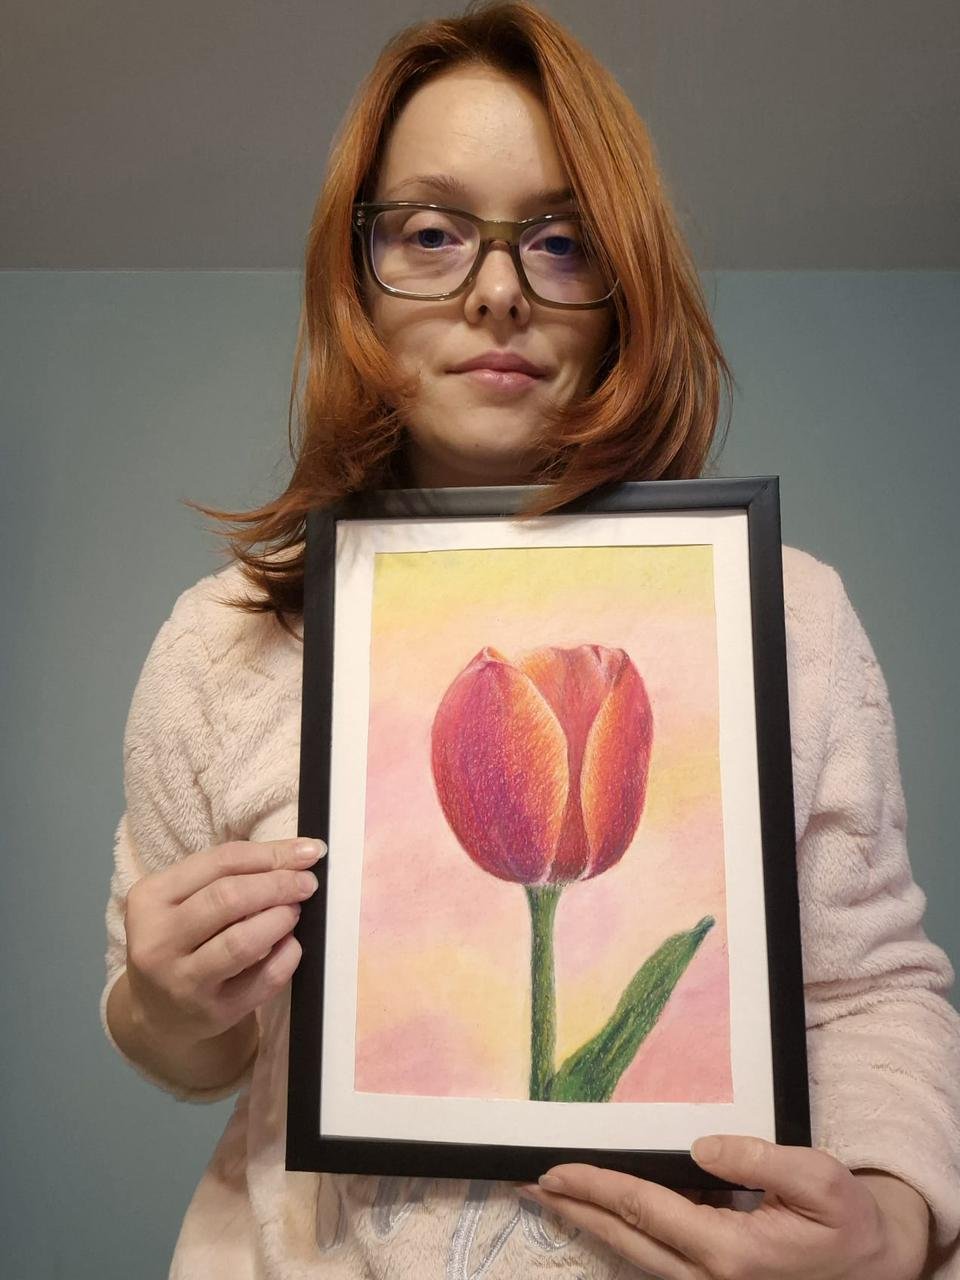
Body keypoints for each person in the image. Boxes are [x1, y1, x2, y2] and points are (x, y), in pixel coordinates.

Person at [100, 3, 960, 1277]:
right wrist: (165, 1002)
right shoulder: (220, 646)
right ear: (357, 273)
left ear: (624, 289)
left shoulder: (782, 617)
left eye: (562, 241)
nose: (498, 289)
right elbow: (186, 1042)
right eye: (431, 232)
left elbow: (868, 988)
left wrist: (892, 1223)